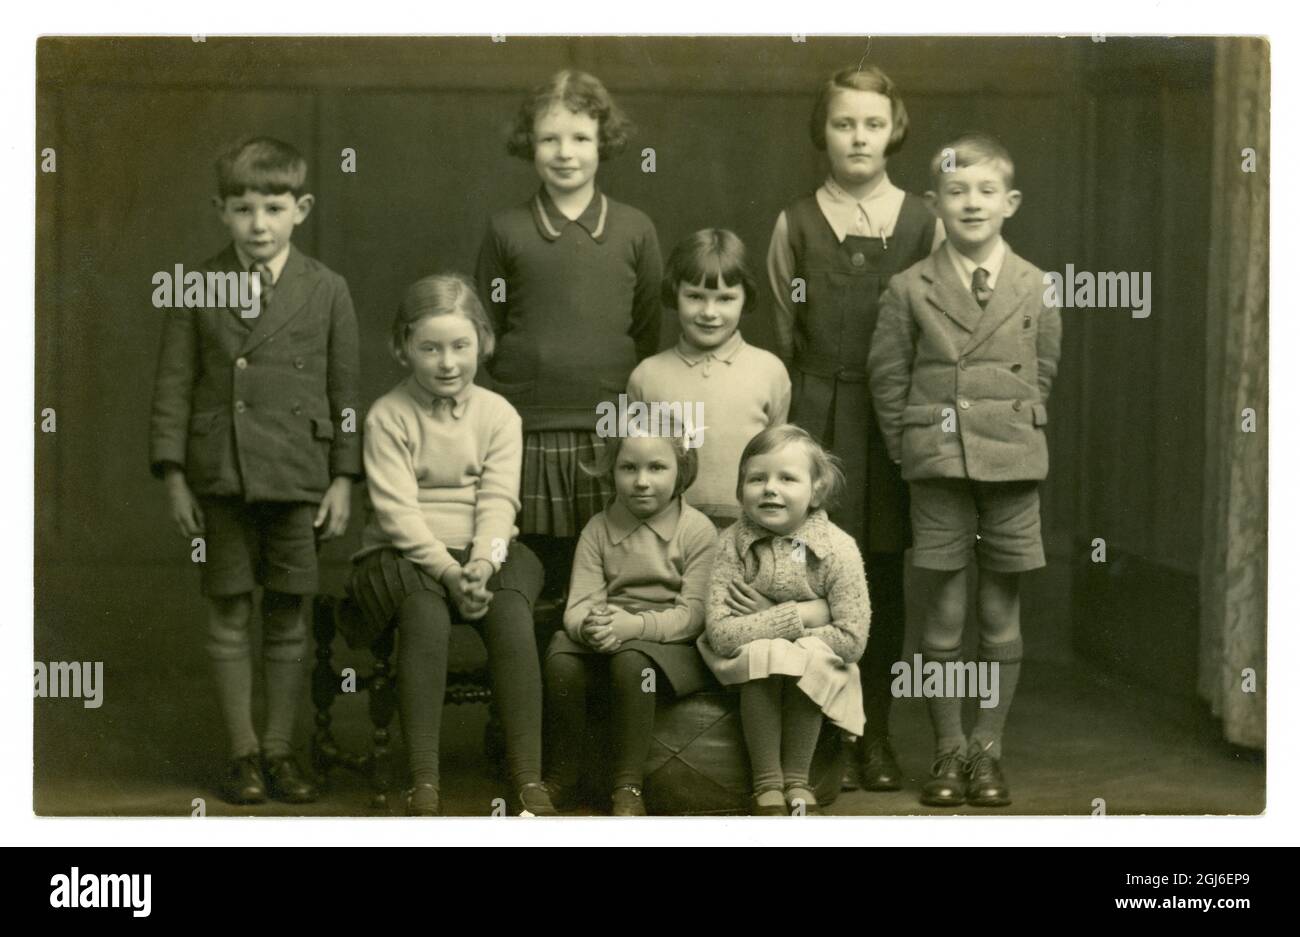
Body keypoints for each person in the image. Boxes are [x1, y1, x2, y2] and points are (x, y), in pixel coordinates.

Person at [149, 137, 360, 805]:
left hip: (299, 476)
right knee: (230, 608)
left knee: (289, 615)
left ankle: (280, 749)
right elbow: (174, 387)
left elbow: (345, 396)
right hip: (222, 477)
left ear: (301, 208)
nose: (259, 224)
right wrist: (174, 474)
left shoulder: (327, 289)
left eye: (273, 207)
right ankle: (242, 752)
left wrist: (343, 478)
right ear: (221, 211)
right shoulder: (197, 285)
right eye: (243, 208)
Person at [868, 132, 1062, 807]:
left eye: (985, 191)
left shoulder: (1036, 284)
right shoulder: (908, 287)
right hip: (939, 467)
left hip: (1011, 467)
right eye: (956, 191)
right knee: (944, 615)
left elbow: (1042, 372)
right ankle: (947, 751)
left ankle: (989, 750)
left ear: (1009, 202)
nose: (971, 202)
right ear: (934, 202)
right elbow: (888, 379)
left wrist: (1014, 430)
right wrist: (913, 452)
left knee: (998, 613)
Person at [699, 425, 871, 815]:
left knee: (805, 654)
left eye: (787, 478)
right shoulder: (732, 544)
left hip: (819, 664)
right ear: (740, 489)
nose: (769, 488)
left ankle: (797, 779)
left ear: (817, 490)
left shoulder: (838, 549)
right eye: (756, 478)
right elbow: (723, 634)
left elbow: (850, 638)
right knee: (768, 651)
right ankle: (767, 784)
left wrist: (775, 619)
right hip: (745, 662)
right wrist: (801, 615)